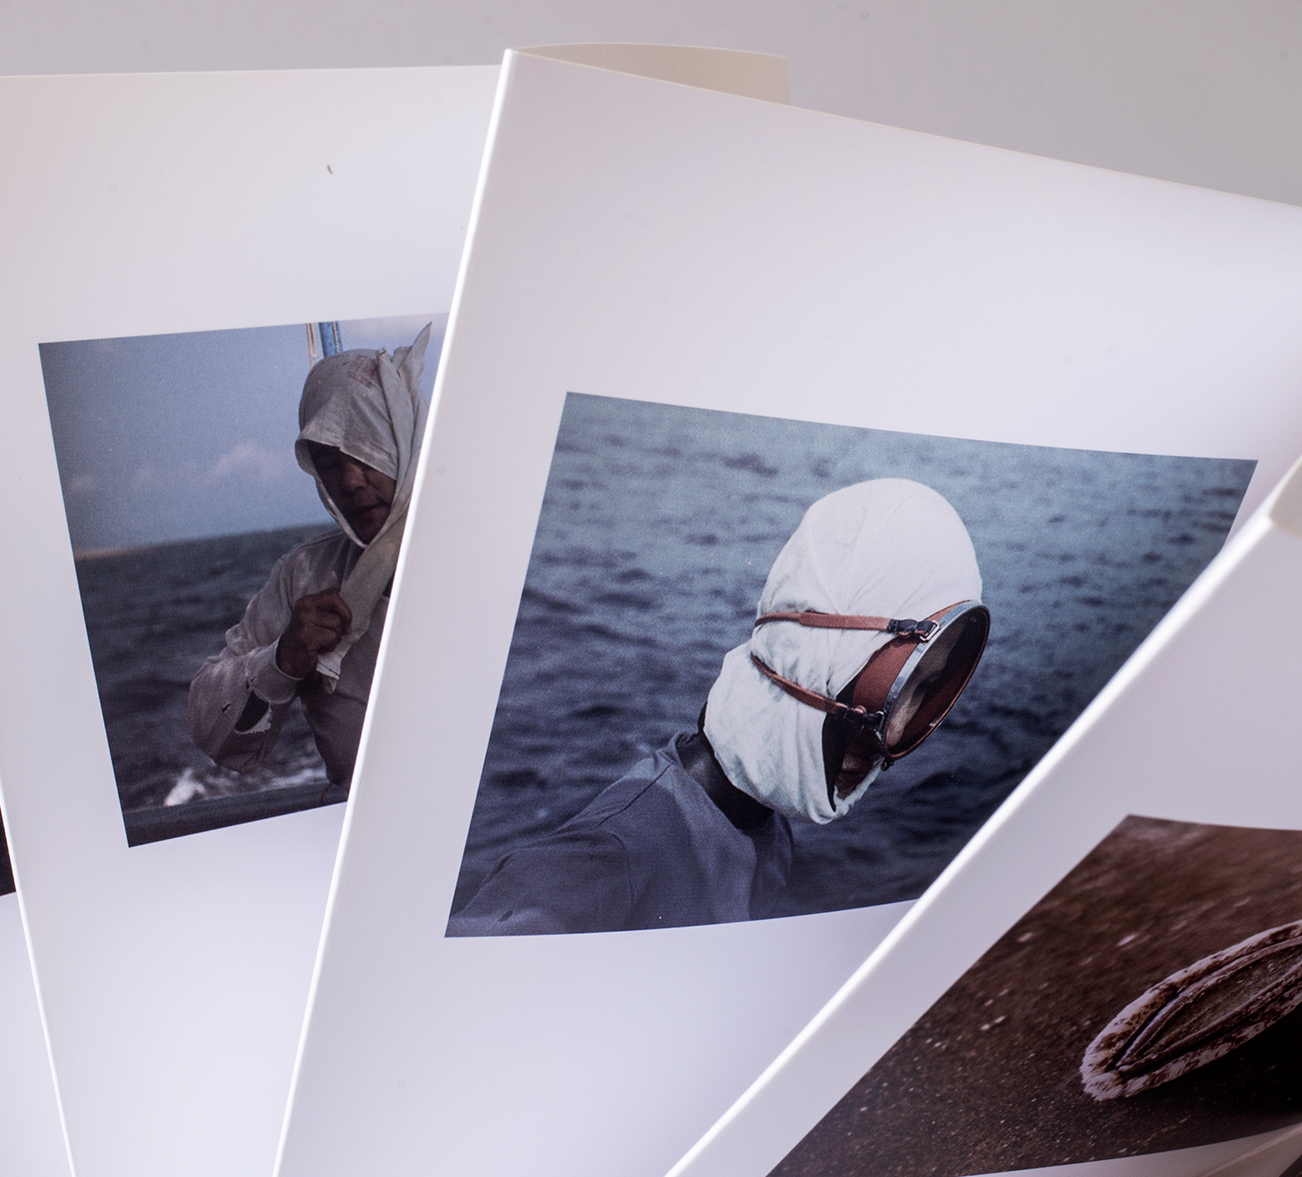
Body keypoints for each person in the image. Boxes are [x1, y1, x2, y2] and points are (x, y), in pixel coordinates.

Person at [449, 477, 990, 935]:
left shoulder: (765, 829)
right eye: (901, 682)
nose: (895, 731)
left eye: (924, 692)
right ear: (815, 650)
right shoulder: (611, 857)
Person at [188, 328, 428, 791]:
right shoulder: (305, 577)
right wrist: (282, 660)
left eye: (366, 448)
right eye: (330, 462)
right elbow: (207, 723)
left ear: (404, 437)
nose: (351, 481)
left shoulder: (478, 543)